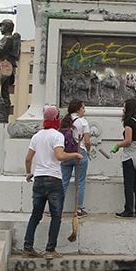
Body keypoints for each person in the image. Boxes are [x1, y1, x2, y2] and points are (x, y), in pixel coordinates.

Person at [23, 105, 83, 259]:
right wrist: (75, 154)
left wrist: (29, 173)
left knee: (36, 215)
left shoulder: (36, 136)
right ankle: (50, 250)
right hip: (53, 179)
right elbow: (59, 156)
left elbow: (28, 158)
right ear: (57, 119)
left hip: (39, 179)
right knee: (56, 216)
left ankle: (28, 246)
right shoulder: (57, 136)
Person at [113, 98, 136, 218]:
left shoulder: (129, 122)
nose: (123, 109)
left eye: (124, 107)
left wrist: (118, 145)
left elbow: (128, 141)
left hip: (129, 156)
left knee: (129, 183)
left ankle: (128, 209)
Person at [60, 99, 91, 218]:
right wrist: (88, 151)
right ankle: (78, 209)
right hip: (79, 152)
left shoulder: (65, 120)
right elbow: (87, 141)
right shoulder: (83, 122)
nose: (84, 110)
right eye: (83, 107)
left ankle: (57, 206)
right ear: (78, 109)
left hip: (66, 153)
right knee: (80, 182)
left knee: (64, 181)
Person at [0, 18, 21, 122]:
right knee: (4, 92)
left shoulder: (7, 39)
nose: (0, 28)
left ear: (7, 27)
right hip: (6, 68)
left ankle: (2, 115)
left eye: (2, 26)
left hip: (3, 68)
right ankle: (4, 116)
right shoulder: (9, 39)